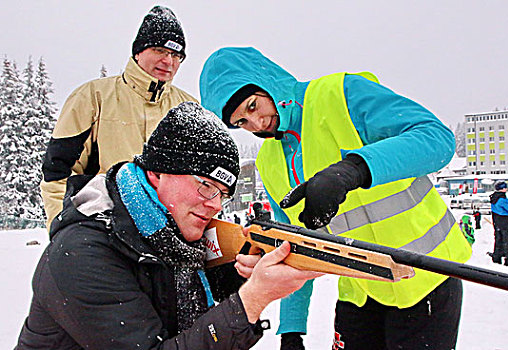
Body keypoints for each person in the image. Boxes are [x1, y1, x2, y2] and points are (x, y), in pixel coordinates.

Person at [199, 47, 472, 350]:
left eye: (253, 106)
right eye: (242, 123)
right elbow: (292, 245)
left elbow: (436, 138)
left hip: (426, 282)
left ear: (267, 82)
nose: (257, 124)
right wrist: (292, 330)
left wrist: (355, 169)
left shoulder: (340, 95)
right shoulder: (270, 161)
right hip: (359, 289)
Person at [16, 102, 320, 349]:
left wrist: (243, 272)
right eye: (205, 186)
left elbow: (184, 302)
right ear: (157, 173)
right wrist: (253, 298)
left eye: (223, 194)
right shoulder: (83, 254)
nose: (215, 204)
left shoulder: (170, 235)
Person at [40, 6, 196, 229]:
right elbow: (58, 172)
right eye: (160, 50)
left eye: (176, 55)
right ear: (139, 51)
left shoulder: (187, 108)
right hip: (103, 230)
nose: (169, 62)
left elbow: (200, 181)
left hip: (168, 234)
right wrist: (62, 229)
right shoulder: (93, 97)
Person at [490, 181, 508, 266]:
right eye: (505, 187)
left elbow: (501, 206)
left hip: (497, 222)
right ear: (502, 189)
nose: (506, 189)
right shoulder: (502, 199)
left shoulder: (494, 197)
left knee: (498, 241)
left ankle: (496, 259)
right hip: (505, 222)